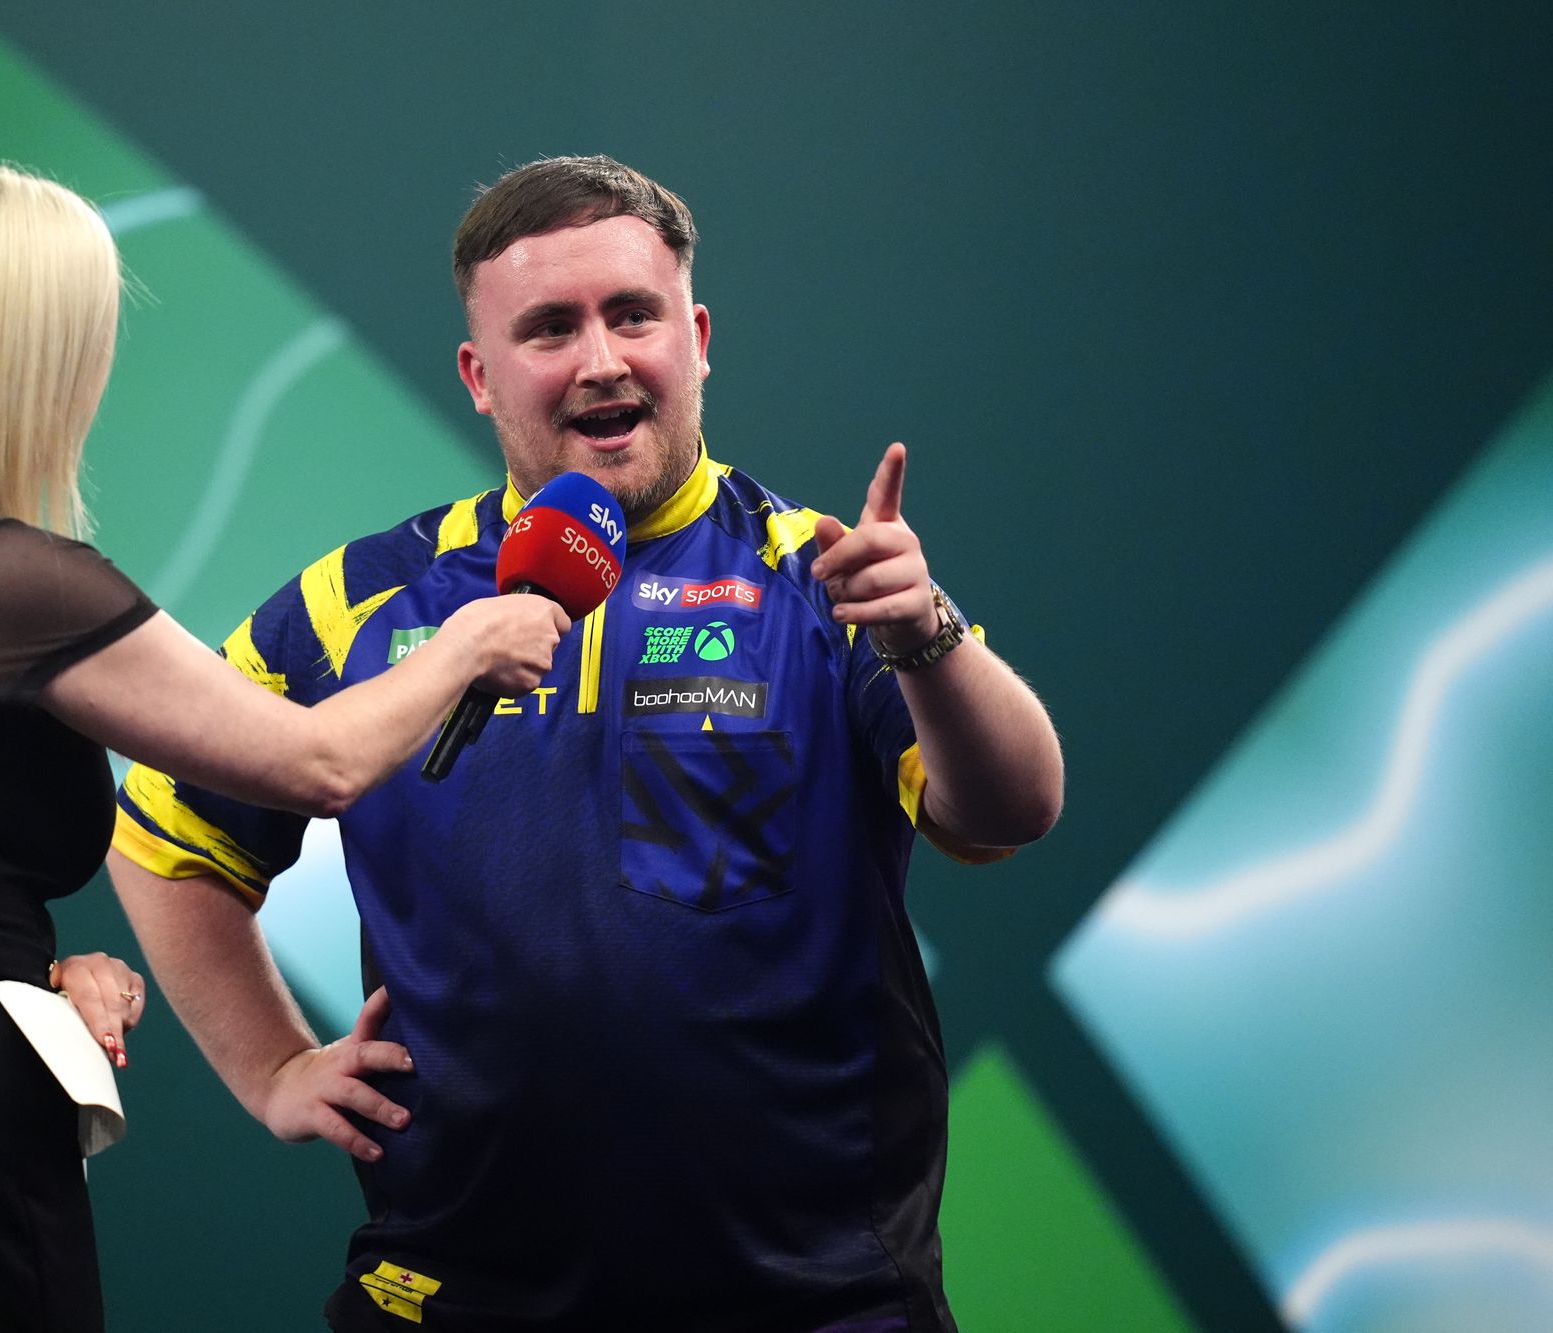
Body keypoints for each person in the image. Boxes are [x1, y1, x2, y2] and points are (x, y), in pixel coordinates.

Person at [108, 155, 1064, 1332]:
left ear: (696, 337)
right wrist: (269, 1066)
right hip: (452, 1293)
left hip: (814, 1298)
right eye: (549, 328)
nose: (601, 360)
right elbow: (160, 829)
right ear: (478, 374)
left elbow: (1011, 809)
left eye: (632, 315)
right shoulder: (357, 602)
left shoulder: (822, 573)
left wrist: (930, 634)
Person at [0, 163, 566, 1333]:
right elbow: (317, 762)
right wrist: (465, 645)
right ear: (20, 361)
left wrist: (16, 971)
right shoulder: (9, 586)